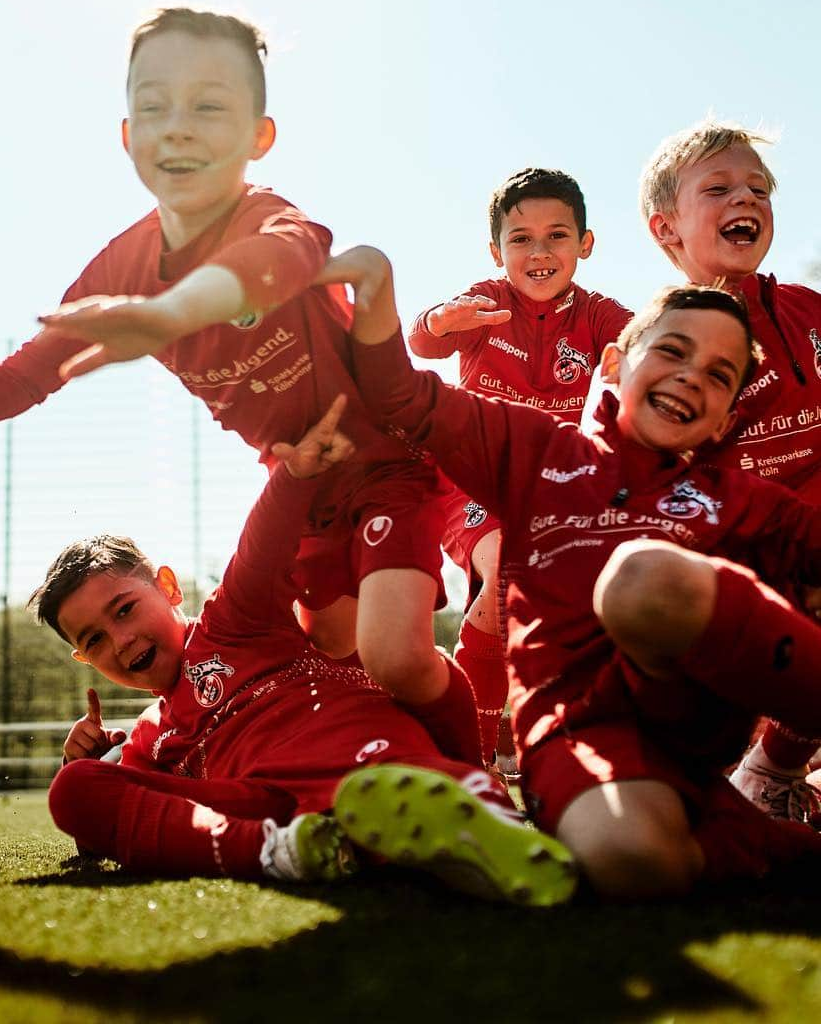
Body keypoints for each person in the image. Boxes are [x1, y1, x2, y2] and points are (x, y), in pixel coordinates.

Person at [0, 8, 477, 762]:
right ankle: (353, 775)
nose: (179, 128)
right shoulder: (117, 270)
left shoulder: (270, 220)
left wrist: (164, 315)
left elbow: (281, 262)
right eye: (155, 105)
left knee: (393, 657)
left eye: (210, 106)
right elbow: (11, 385)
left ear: (259, 135)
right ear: (128, 135)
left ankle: (477, 772)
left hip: (385, 464)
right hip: (302, 480)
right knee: (328, 646)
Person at [326, 244, 821, 899]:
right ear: (615, 361)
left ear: (728, 416)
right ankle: (773, 842)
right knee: (632, 861)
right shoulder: (534, 450)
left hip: (702, 718)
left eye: (719, 373)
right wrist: (377, 295)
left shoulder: (741, 499)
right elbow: (402, 397)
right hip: (581, 733)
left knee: (645, 581)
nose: (691, 376)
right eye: (672, 351)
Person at [39, 396, 577, 906]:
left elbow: (262, 544)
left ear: (169, 588)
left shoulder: (232, 623)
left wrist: (294, 473)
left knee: (411, 754)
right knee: (74, 790)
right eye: (94, 640)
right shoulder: (148, 742)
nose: (121, 640)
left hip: (362, 754)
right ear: (84, 660)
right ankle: (292, 852)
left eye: (124, 609)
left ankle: (472, 818)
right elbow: (114, 826)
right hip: (276, 812)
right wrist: (85, 761)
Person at [408, 169, 629, 769]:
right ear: (496, 251)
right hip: (472, 478)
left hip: (558, 485)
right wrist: (441, 321)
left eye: (556, 235)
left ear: (585, 244)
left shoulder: (599, 316)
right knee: (505, 571)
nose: (539, 252)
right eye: (521, 238)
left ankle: (546, 742)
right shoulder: (488, 302)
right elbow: (422, 341)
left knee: (558, 609)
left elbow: (646, 341)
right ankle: (473, 760)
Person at [640, 121, 821, 821]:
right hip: (747, 567)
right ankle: (765, 772)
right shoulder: (664, 341)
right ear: (668, 231)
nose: (746, 197)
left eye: (758, 188)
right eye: (717, 188)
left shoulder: (807, 312)